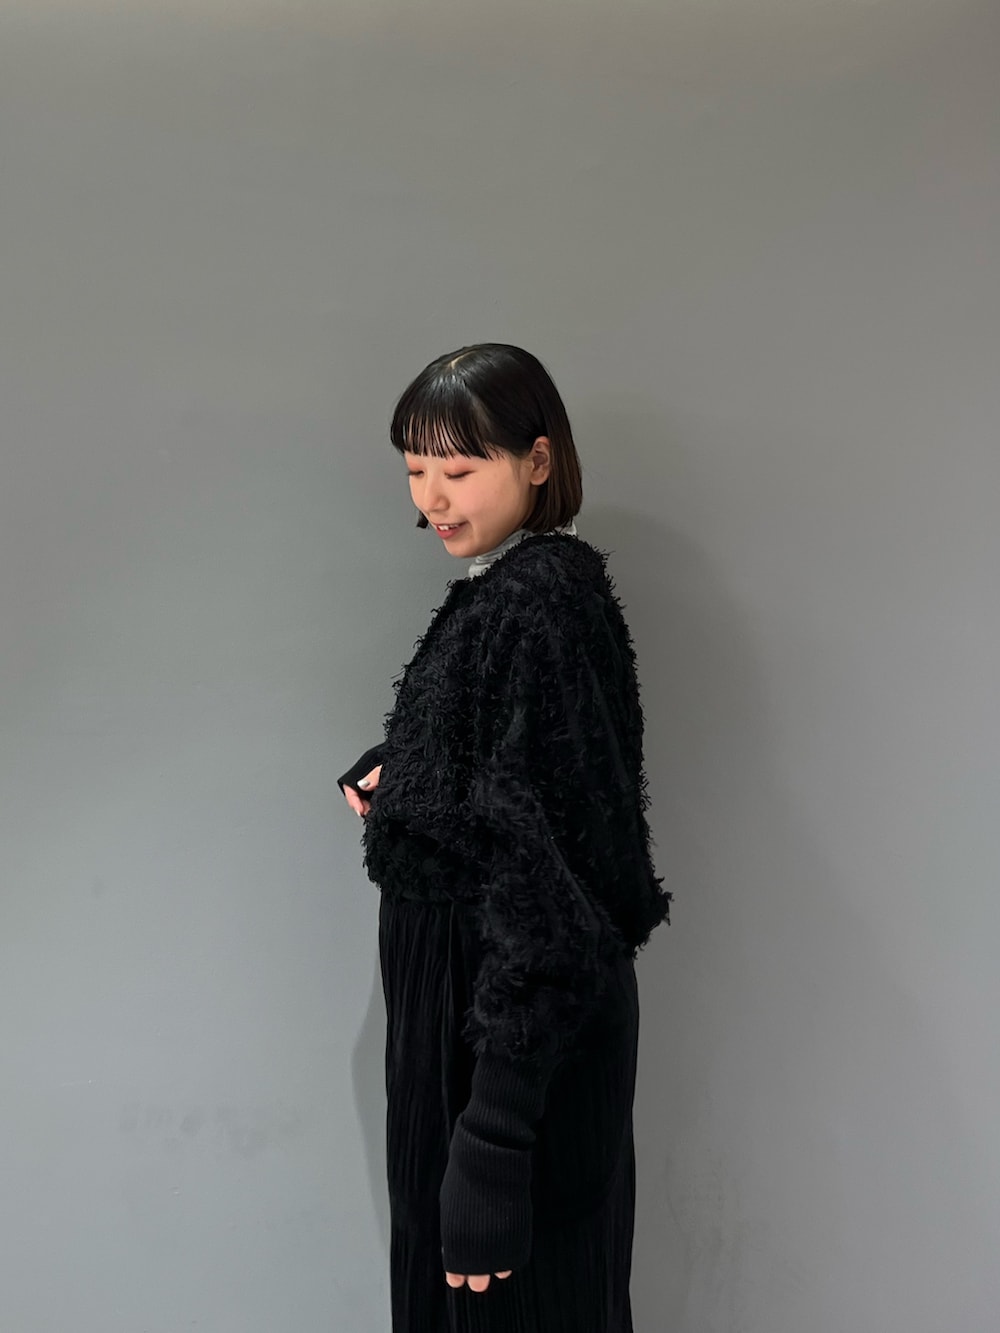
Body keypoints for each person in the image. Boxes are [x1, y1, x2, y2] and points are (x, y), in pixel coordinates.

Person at [337, 343, 671, 1332]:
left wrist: (492, 1137)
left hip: (503, 1046)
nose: (433, 498)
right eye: (415, 469)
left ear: (537, 458)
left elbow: (557, 884)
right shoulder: (506, 588)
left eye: (458, 467)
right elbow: (510, 779)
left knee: (514, 1309)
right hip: (467, 1023)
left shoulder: (542, 597)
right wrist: (403, 770)